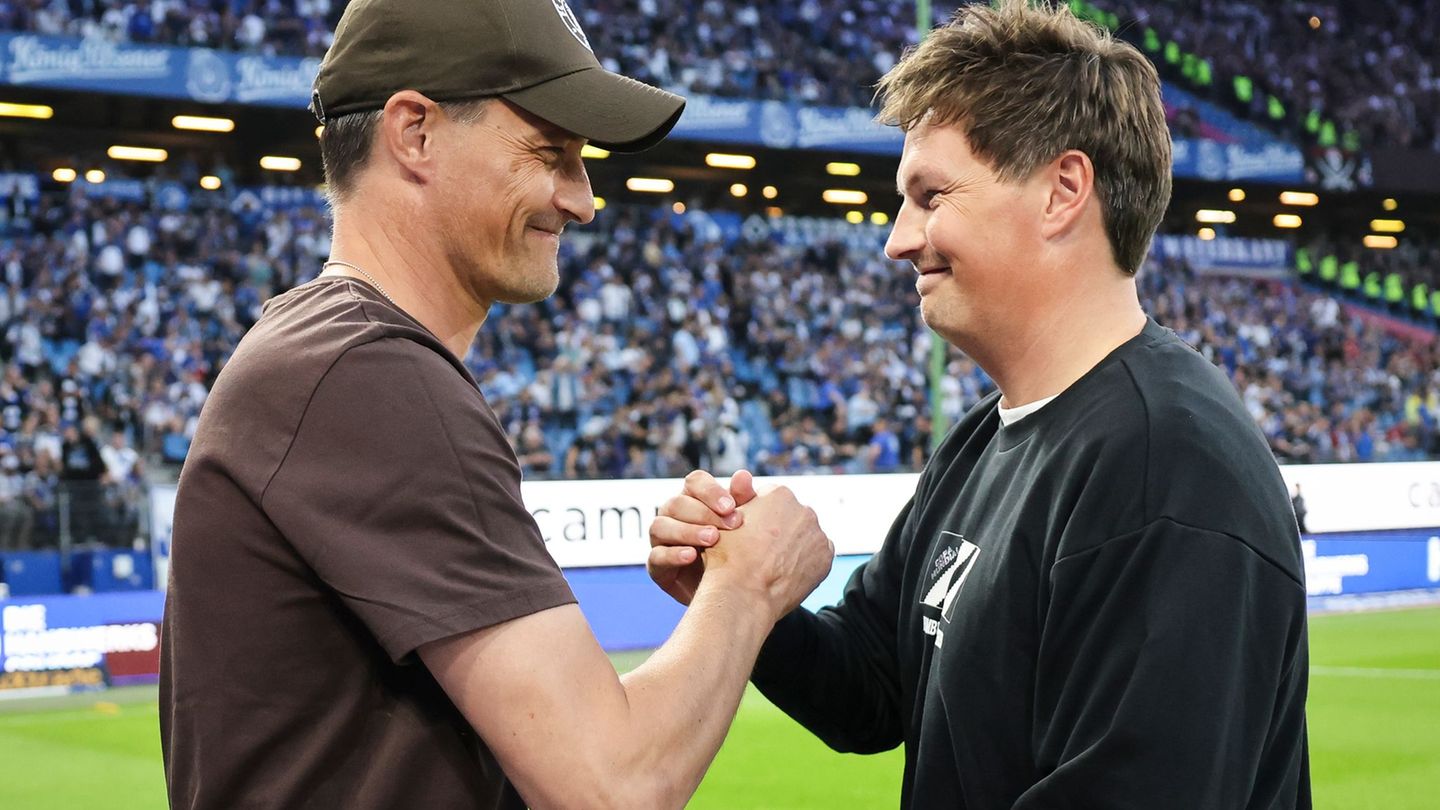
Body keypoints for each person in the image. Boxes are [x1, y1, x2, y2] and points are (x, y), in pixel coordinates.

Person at [159, 1, 834, 808]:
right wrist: (747, 586)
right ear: (415, 133)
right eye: (549, 153)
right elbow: (612, 785)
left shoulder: (323, 351)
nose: (581, 200)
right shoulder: (368, 375)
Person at [648, 2, 1311, 807]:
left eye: (930, 196)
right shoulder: (987, 436)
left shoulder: (1166, 465)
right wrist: (745, 595)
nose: (897, 238)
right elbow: (870, 687)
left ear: (1063, 190)